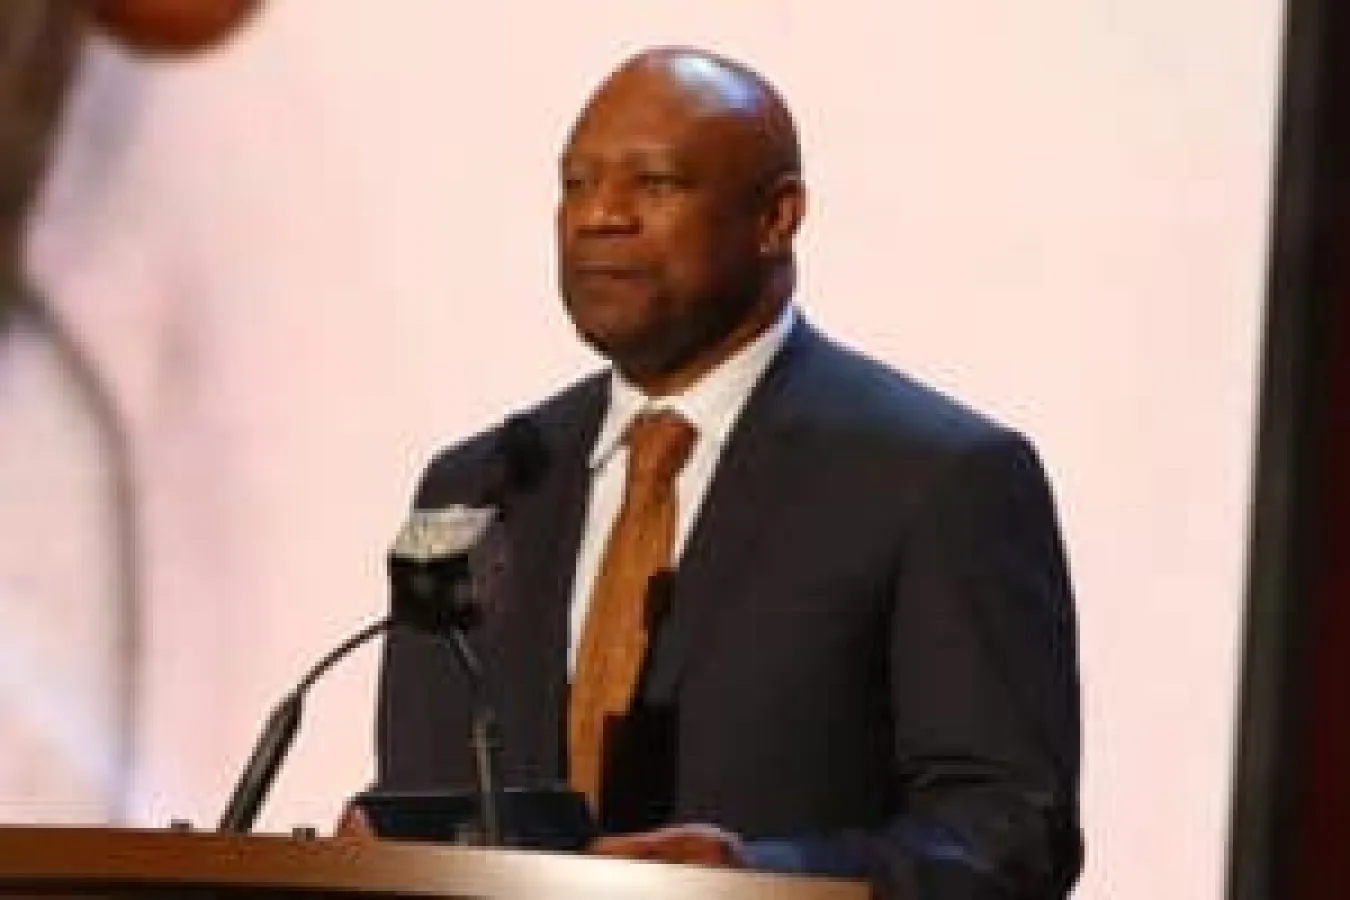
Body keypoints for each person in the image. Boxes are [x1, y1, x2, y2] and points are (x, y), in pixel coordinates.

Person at [375, 46, 1082, 898]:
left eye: (656, 185)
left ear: (777, 217)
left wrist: (756, 880)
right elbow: (416, 792)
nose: (600, 215)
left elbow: (1007, 837)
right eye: (576, 184)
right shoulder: (481, 485)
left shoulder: (937, 479)